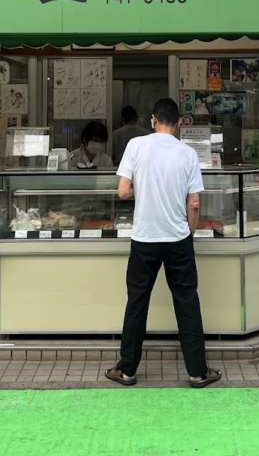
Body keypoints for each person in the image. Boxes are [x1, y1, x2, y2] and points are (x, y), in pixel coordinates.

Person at [106, 98, 221, 389]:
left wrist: (144, 186)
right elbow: (194, 203)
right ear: (179, 123)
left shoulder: (136, 145)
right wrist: (189, 233)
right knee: (187, 302)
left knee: (137, 302)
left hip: (144, 237)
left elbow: (122, 192)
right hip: (178, 238)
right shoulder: (188, 153)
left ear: (153, 120)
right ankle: (197, 373)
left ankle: (127, 371)